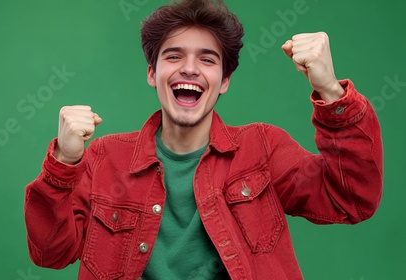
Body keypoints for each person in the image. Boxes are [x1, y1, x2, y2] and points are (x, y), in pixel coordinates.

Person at [24, 0, 383, 279]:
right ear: (153, 73)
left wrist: (331, 91)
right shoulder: (104, 159)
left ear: (224, 81)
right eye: (174, 55)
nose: (190, 68)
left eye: (207, 59)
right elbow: (49, 254)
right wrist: (65, 164)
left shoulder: (262, 147)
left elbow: (351, 199)